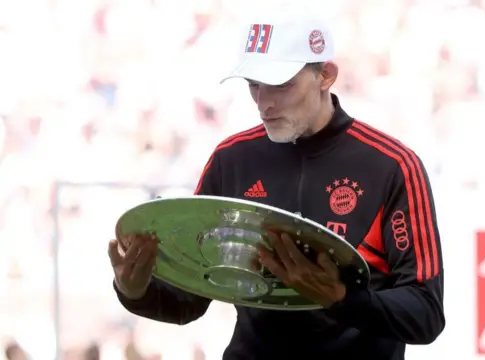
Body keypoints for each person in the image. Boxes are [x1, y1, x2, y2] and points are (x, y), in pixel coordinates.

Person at [109, 7, 445, 360]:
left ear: (325, 75)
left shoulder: (392, 165)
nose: (264, 103)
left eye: (281, 85)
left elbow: (425, 313)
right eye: (254, 85)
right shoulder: (232, 158)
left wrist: (344, 300)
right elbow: (189, 302)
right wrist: (134, 290)